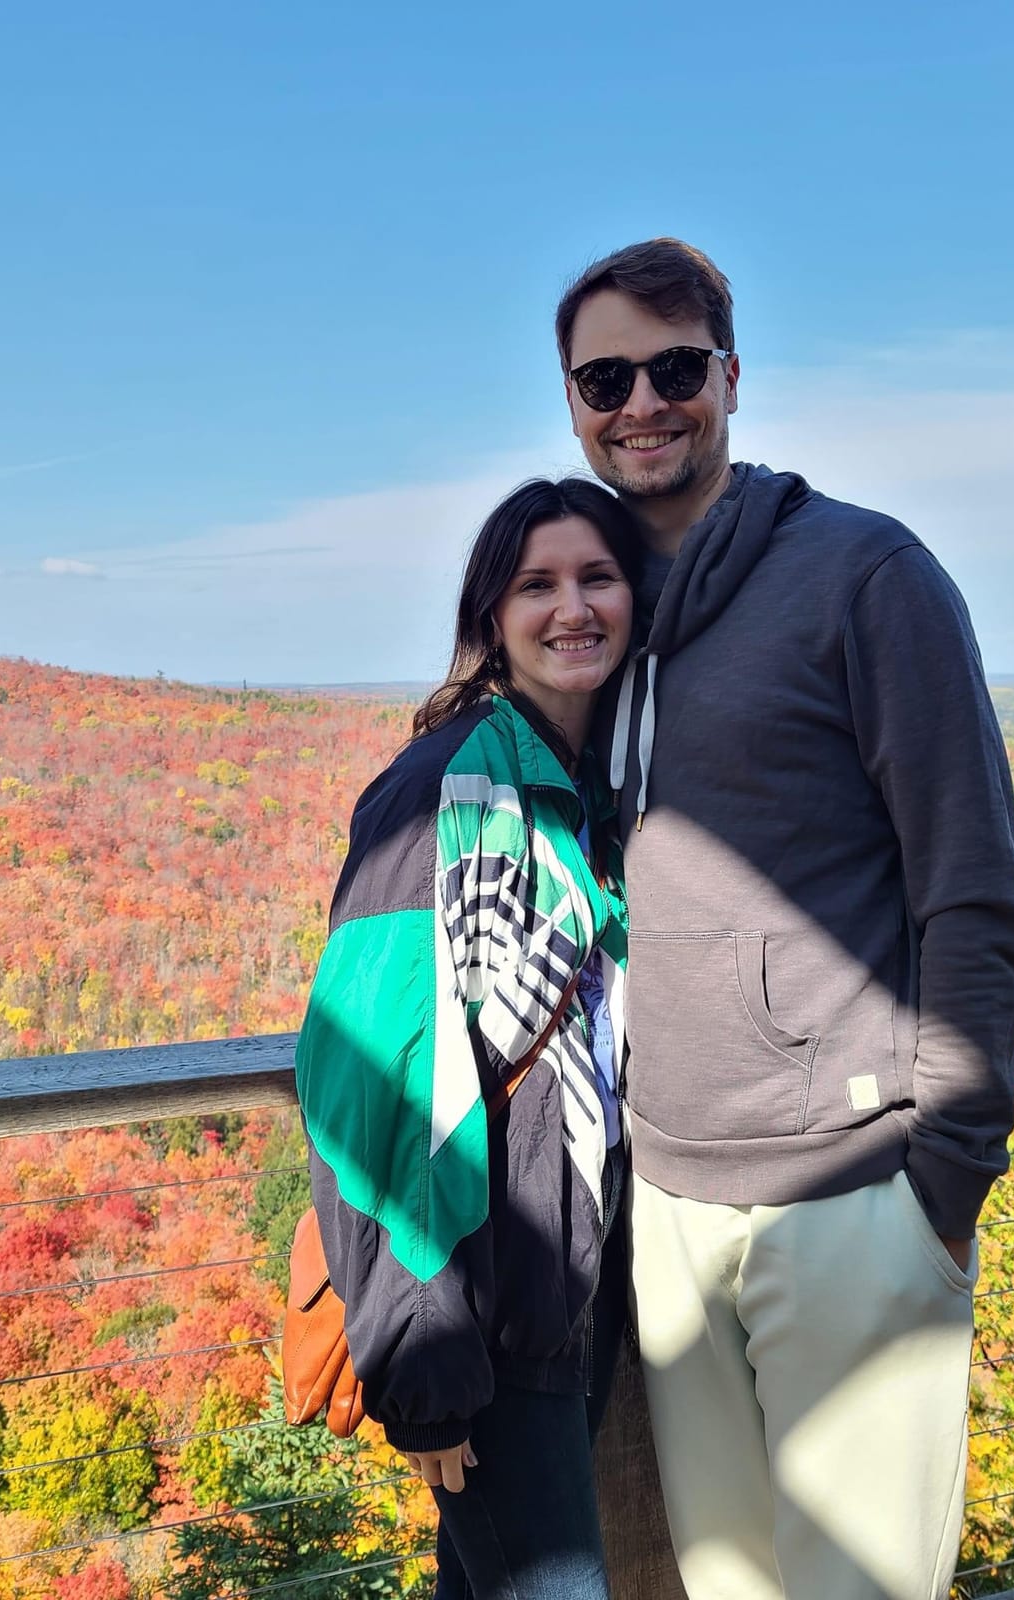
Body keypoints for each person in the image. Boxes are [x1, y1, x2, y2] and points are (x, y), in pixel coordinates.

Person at [553, 239, 1014, 1600]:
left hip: (853, 1196)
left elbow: (975, 892)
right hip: (668, 1201)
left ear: (729, 374)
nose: (641, 402)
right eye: (605, 377)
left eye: (673, 367)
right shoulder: (589, 611)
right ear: (574, 402)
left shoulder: (864, 577)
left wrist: (942, 1193)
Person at [295, 476, 642, 1600]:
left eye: (598, 576)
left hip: (562, 1299)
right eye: (535, 584)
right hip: (482, 1319)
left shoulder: (587, 792)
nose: (571, 606)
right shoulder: (442, 790)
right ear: (491, 617)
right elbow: (372, 1077)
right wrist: (427, 1358)